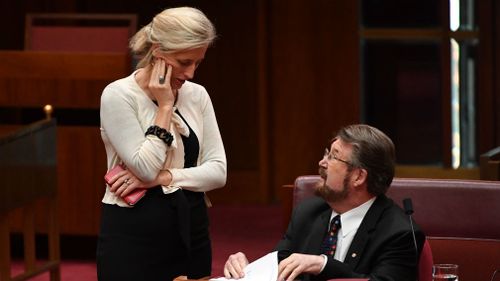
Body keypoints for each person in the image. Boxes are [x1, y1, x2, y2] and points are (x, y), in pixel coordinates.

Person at [96, 7, 226, 281]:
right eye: (183, 62)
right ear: (158, 50)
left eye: (197, 63)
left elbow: (218, 172)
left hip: (192, 227)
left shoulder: (197, 95)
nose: (191, 73)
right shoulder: (119, 95)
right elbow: (144, 168)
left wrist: (164, 177)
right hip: (133, 235)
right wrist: (165, 106)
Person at [223, 124, 425, 281]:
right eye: (326, 153)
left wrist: (324, 264)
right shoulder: (308, 212)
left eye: (334, 156)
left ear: (359, 177)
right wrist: (248, 268)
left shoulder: (399, 233)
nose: (322, 163)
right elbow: (280, 263)